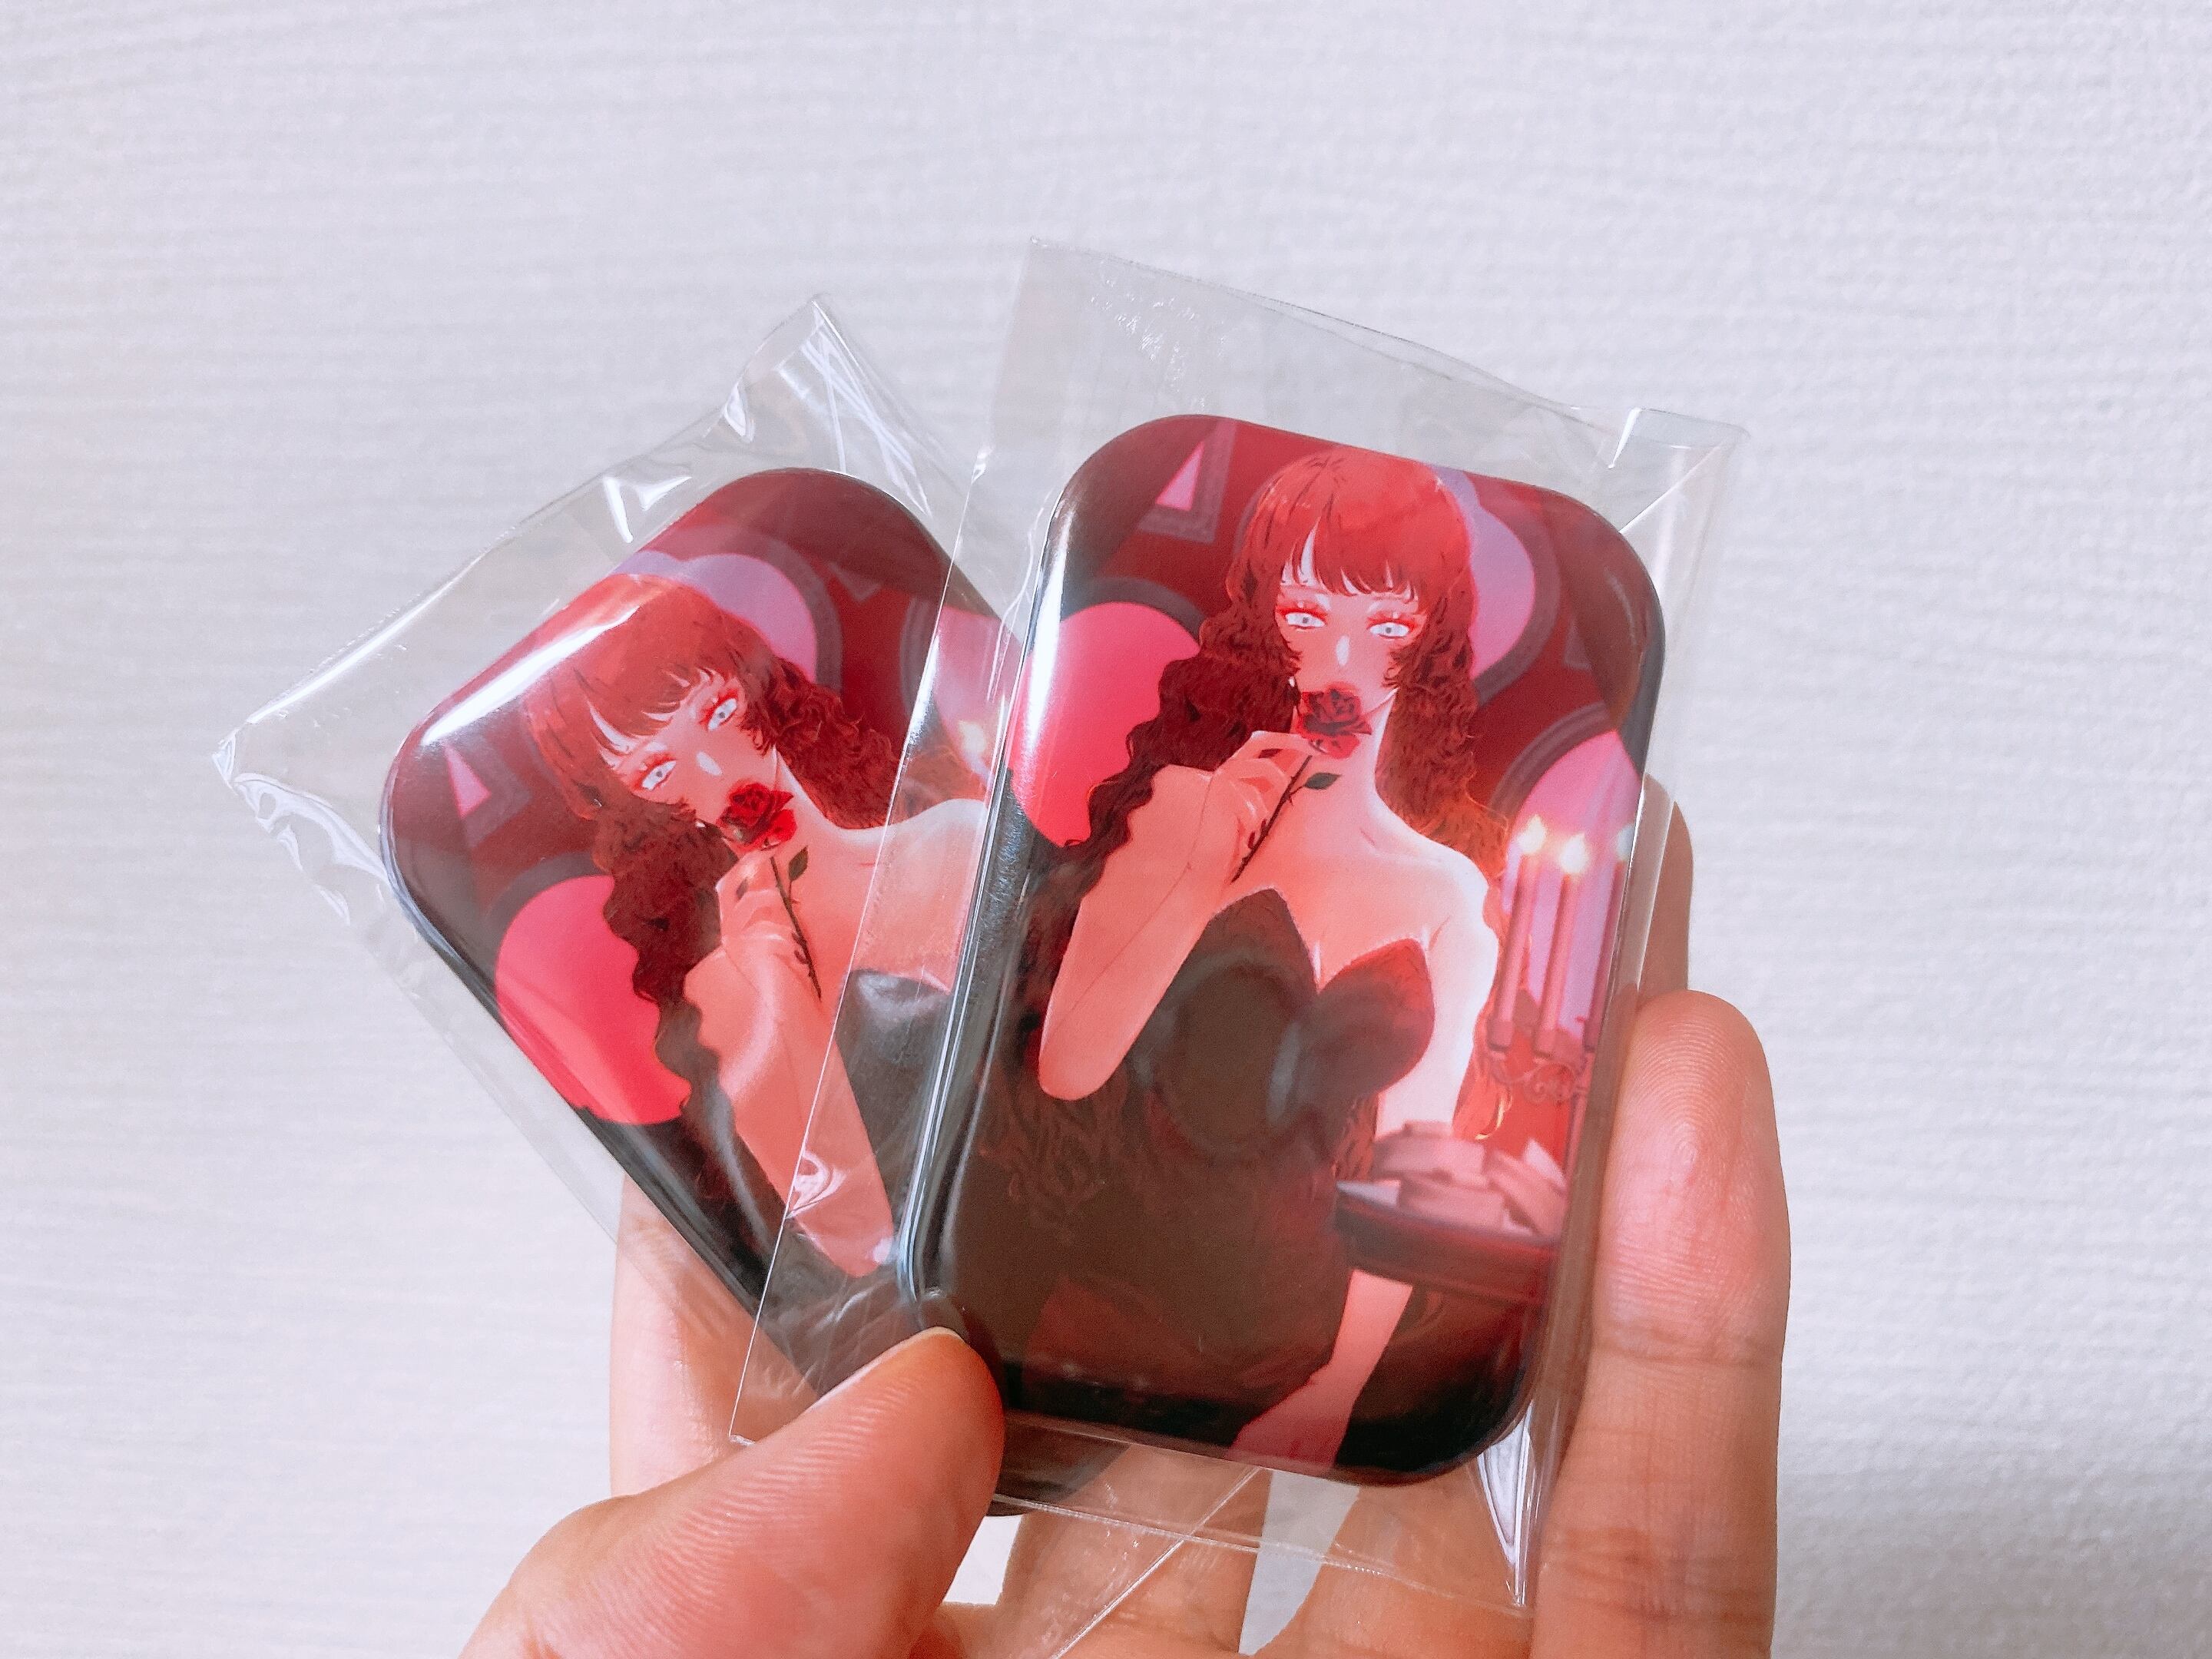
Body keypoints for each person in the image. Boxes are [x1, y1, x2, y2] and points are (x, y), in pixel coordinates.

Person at [459, 815, 1790, 1657]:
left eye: (1381, 631)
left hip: (1261, 1280)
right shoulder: (1122, 852)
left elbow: (1407, 1175)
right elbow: (972, 1136)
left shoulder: (1426, 888)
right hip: (1077, 1271)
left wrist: (1341, 1381)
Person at [524, 572, 982, 1277]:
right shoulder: (727, 987)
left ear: (756, 685)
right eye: (656, 773)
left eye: (716, 711)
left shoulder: (954, 840)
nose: (715, 769)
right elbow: (857, 1240)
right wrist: (771, 989)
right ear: (634, 807)